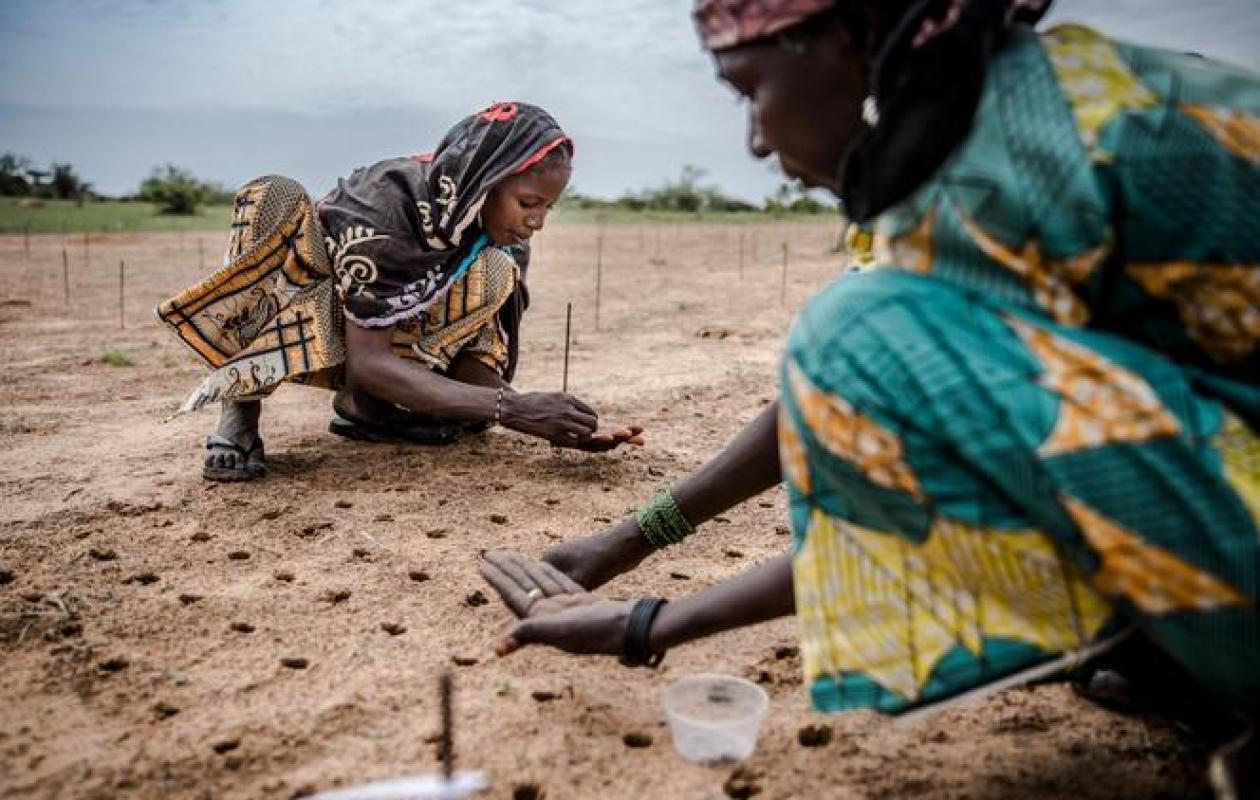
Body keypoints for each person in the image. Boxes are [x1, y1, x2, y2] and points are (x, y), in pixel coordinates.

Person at [478, 3, 1260, 795]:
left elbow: (893, 436)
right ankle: (1175, 659)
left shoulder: (1013, 165)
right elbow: (850, 390)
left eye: (749, 89)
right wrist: (632, 540)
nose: (754, 138)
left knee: (850, 330)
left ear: (852, 39)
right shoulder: (994, 118)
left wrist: (649, 625)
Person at [157, 102, 641, 481]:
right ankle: (240, 414)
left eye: (548, 208)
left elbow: (473, 358)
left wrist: (559, 424)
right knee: (273, 196)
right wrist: (514, 410)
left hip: (379, 342)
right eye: (528, 203)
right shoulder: (386, 212)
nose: (537, 220)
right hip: (309, 315)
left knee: (498, 268)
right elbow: (371, 361)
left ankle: (366, 410)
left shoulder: (493, 240)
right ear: (484, 183)